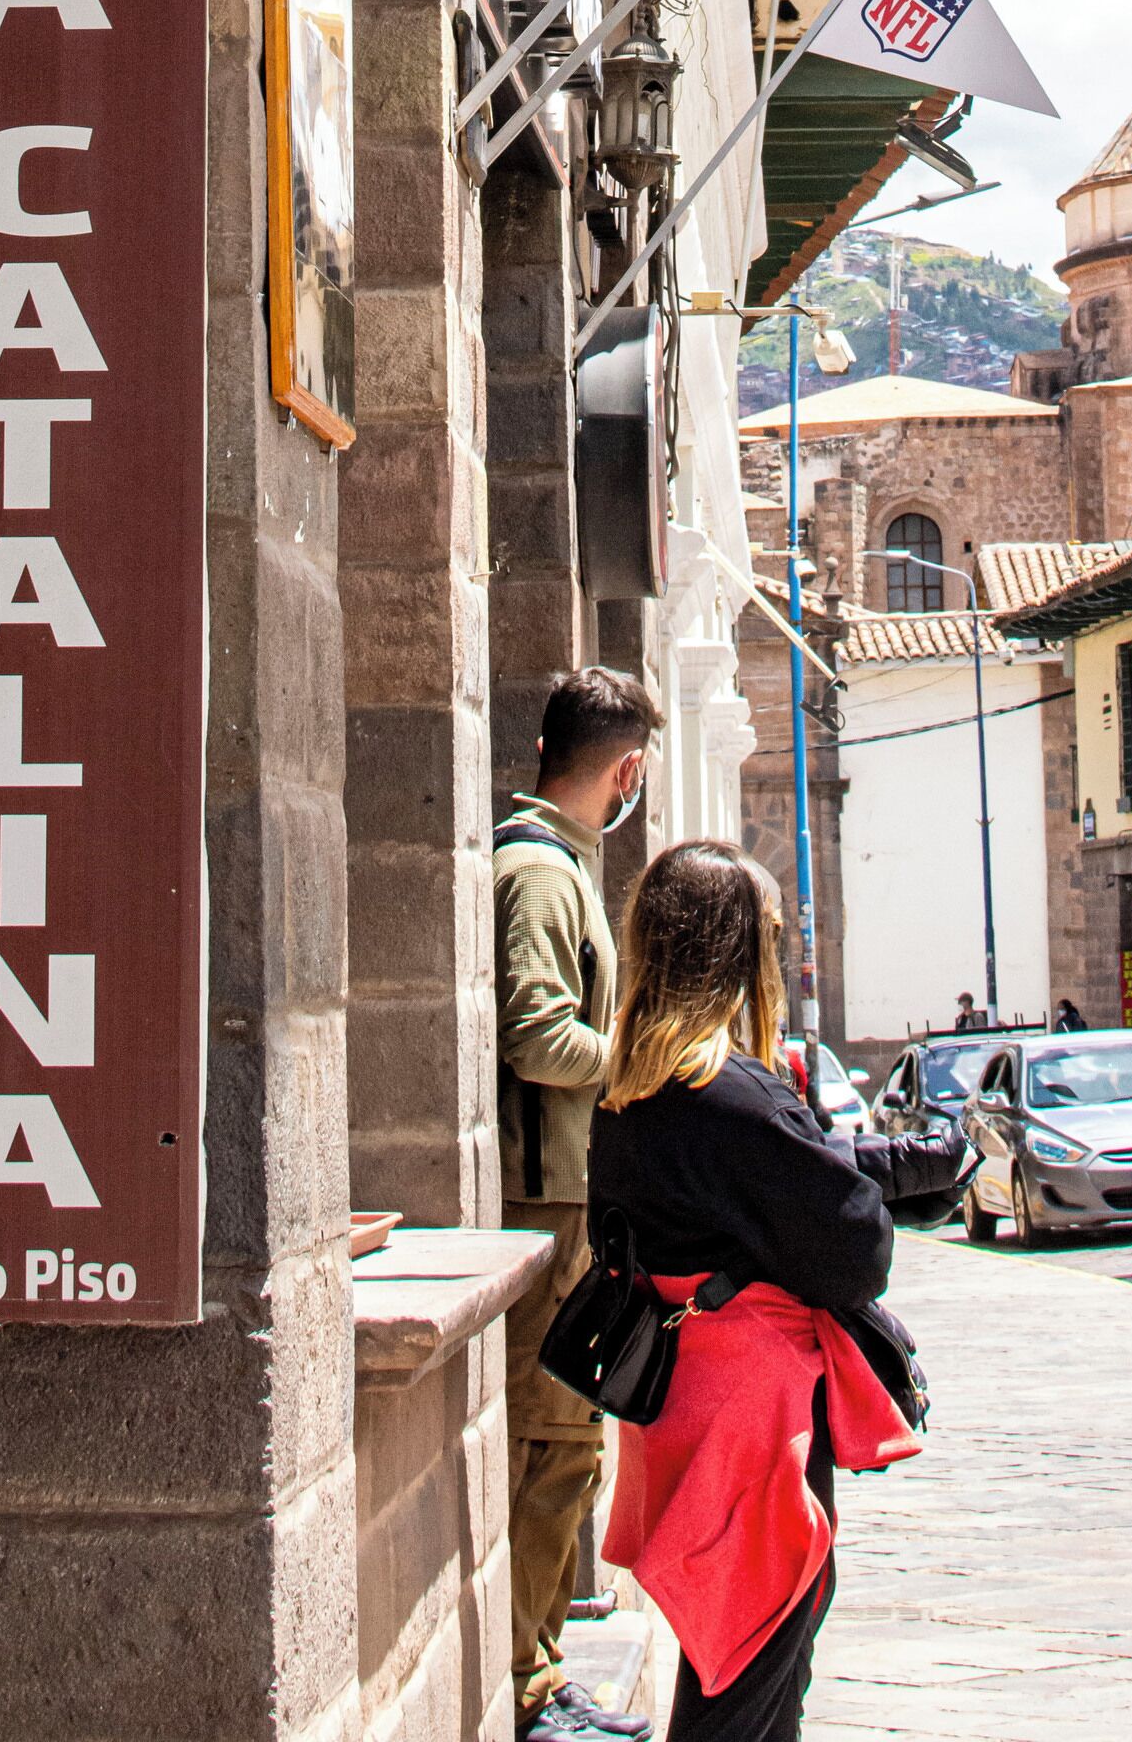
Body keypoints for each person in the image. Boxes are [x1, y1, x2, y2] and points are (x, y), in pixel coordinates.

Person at [588, 844, 960, 1740]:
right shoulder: (733, 1093)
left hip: (686, 1400)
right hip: (753, 1424)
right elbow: (854, 1249)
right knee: (754, 1673)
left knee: (735, 1666)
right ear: (738, 953)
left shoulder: (632, 1090)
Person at [497, 666, 664, 1742]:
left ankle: (542, 1670)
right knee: (555, 1447)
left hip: (565, 1195)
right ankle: (531, 1681)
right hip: (547, 1200)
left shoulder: (549, 865)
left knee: (569, 1446)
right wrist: (642, 1064)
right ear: (627, 769)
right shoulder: (543, 876)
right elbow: (536, 1030)